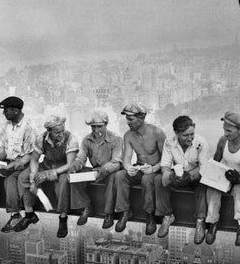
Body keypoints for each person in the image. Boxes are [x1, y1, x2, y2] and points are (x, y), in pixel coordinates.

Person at [0, 96, 36, 230]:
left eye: (6, 111)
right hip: (8, 162)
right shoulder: (6, 126)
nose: (4, 113)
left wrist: (13, 166)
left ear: (16, 111)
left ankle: (15, 215)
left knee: (9, 180)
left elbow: (30, 155)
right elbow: (4, 148)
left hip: (23, 164)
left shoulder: (29, 128)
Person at [18, 115, 79, 238]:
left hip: (62, 168)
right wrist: (33, 178)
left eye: (62, 130)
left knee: (63, 183)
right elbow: (34, 160)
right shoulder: (41, 138)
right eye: (57, 132)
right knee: (23, 177)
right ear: (49, 131)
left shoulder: (71, 139)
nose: (61, 134)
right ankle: (29, 213)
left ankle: (63, 218)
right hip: (47, 164)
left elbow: (70, 164)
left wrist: (49, 174)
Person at [112, 103, 166, 235]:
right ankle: (124, 212)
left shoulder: (157, 133)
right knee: (120, 176)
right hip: (140, 167)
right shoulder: (128, 136)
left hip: (155, 169)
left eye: (131, 119)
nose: (127, 122)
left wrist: (154, 169)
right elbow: (126, 159)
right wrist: (129, 168)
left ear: (141, 118)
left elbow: (166, 159)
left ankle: (150, 215)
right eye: (127, 119)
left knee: (147, 180)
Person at [203, 111, 240, 246]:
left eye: (229, 131)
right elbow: (216, 161)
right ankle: (212, 222)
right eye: (224, 130)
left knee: (239, 193)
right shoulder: (223, 140)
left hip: (238, 178)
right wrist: (212, 175)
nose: (226, 133)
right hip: (224, 174)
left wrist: (238, 177)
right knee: (213, 189)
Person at [156, 115, 209, 240]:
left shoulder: (201, 142)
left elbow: (204, 167)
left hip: (195, 176)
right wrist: (171, 175)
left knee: (203, 183)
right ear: (176, 133)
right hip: (178, 174)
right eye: (186, 135)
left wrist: (191, 176)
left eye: (192, 134)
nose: (190, 138)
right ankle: (167, 216)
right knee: (159, 180)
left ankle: (200, 221)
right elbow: (165, 165)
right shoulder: (169, 142)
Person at [69, 110, 123, 228]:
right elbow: (81, 158)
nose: (96, 130)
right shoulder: (87, 140)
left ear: (106, 124)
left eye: (99, 126)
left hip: (110, 170)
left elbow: (117, 162)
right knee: (74, 178)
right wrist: (75, 166)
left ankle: (108, 213)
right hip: (95, 171)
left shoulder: (116, 139)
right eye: (93, 127)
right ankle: (86, 205)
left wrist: (103, 170)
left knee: (112, 178)